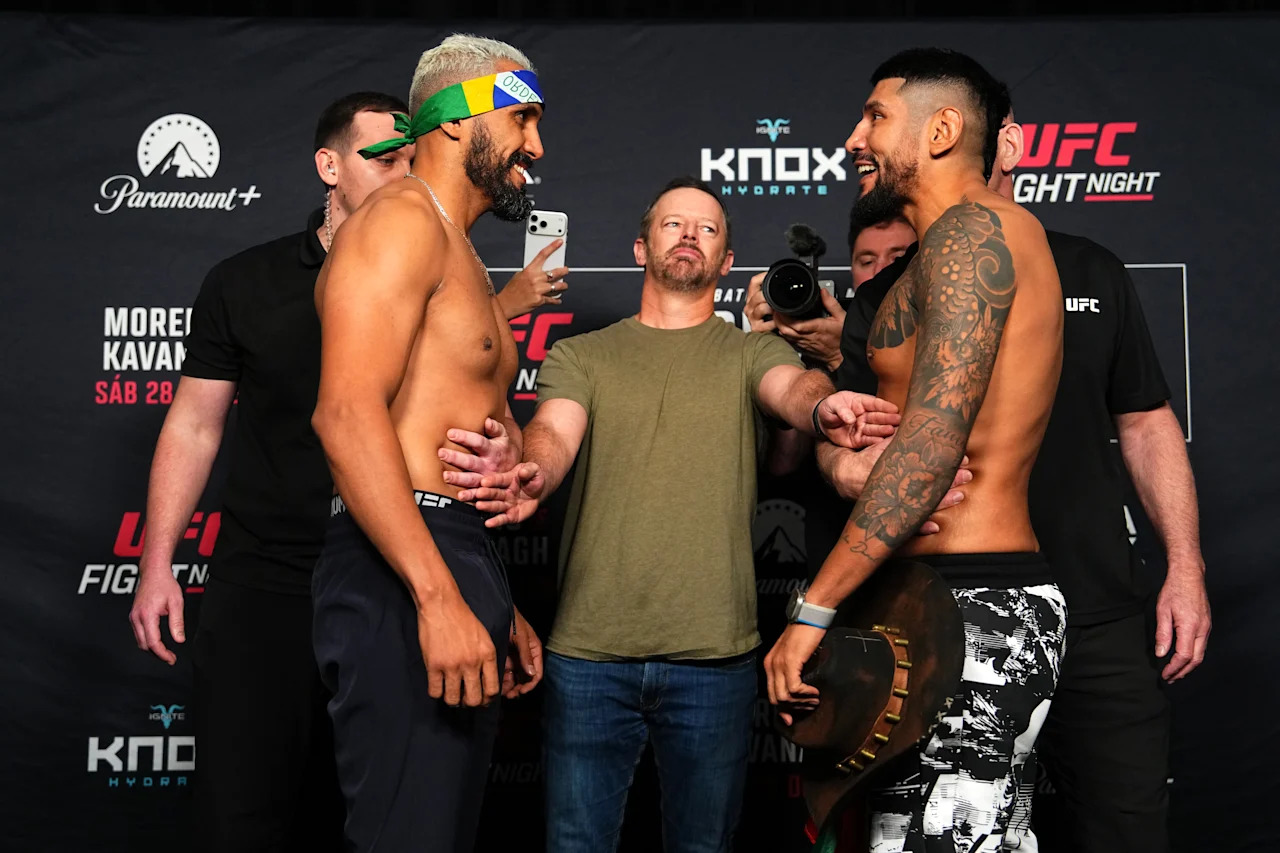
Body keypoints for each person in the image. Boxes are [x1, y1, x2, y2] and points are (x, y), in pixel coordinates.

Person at [442, 176, 899, 853]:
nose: (690, 235)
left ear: (724, 261)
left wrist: (822, 407)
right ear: (639, 247)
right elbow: (554, 434)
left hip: (714, 661)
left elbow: (793, 386)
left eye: (708, 229)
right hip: (589, 656)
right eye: (673, 224)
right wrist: (532, 470)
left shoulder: (752, 351)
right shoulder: (582, 354)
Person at [820, 110, 1211, 852]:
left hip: (1096, 608)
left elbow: (1146, 421)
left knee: (1121, 828)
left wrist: (1185, 563)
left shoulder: (1088, 267)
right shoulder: (887, 295)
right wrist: (843, 465)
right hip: (949, 610)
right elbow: (845, 431)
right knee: (957, 830)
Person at [765, 48, 1068, 852]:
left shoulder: (979, 233)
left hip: (980, 605)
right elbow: (891, 433)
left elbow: (934, 445)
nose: (854, 138)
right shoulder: (918, 268)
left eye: (875, 117)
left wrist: (812, 611)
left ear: (940, 130)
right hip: (921, 599)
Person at [126, 92, 415, 852]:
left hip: (390, 579)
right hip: (263, 585)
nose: (403, 176)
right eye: (384, 159)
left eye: (413, 162)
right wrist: (157, 562)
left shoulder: (440, 286)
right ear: (329, 165)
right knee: (242, 816)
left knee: (375, 822)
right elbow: (193, 424)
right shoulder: (243, 281)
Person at [309, 34, 548, 853]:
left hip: (448, 551)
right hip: (400, 569)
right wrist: (439, 596)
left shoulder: (462, 252)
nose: (537, 147)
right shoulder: (401, 222)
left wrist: (493, 595)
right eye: (523, 119)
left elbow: (446, 415)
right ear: (455, 121)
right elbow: (345, 415)